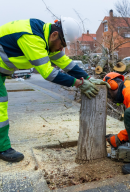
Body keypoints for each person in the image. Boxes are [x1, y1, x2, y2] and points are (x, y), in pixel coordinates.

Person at [0, 17, 109, 162]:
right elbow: (48, 73)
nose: (61, 49)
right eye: (62, 45)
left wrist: (87, 78)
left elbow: (65, 62)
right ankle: (3, 148)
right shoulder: (32, 37)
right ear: (55, 35)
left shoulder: (46, 37)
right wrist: (79, 84)